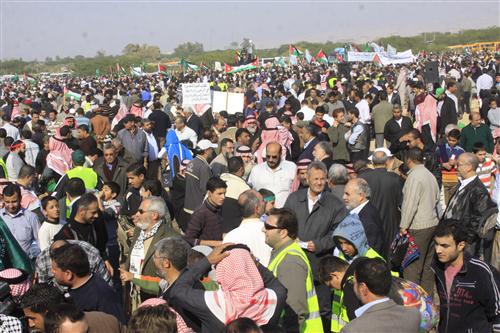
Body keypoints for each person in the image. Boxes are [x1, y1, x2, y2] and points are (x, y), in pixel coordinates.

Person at [284, 161, 348, 328]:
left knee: (323, 307)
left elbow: (339, 231)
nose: (319, 183)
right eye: (316, 179)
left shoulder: (334, 203)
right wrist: (292, 239)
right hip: (296, 261)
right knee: (295, 305)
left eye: (323, 179)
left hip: (320, 263)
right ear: (307, 178)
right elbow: (284, 223)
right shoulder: (294, 199)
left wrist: (319, 244)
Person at [167, 244, 287, 333]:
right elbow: (277, 286)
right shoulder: (273, 300)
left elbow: (177, 291)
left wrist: (207, 261)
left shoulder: (213, 303)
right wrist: (254, 263)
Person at [432, 221, 500, 333]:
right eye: (436, 244)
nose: (438, 250)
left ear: (461, 245)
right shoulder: (438, 267)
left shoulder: (481, 271)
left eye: (444, 246)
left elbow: (498, 312)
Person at [263, 208, 323, 332]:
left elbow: (295, 309)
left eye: (268, 226)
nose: (263, 229)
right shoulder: (283, 253)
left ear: (283, 233)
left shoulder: (290, 260)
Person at [50, 243, 126, 324]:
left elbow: (118, 326)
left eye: (54, 269)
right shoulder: (75, 288)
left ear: (68, 274)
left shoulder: (102, 297)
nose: (52, 272)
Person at [339, 258, 421, 333]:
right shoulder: (413, 315)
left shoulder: (352, 329)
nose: (353, 286)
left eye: (354, 283)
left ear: (363, 288)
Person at [400, 147, 440, 294]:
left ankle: (414, 302)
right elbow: (436, 199)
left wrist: (403, 226)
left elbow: (410, 203)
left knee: (412, 266)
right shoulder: (429, 174)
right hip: (432, 223)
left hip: (418, 226)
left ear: (408, 160)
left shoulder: (415, 177)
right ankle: (428, 301)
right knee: (427, 267)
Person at [443, 153, 496, 255]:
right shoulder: (462, 184)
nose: (456, 167)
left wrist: (467, 241)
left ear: (469, 167)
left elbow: (478, 219)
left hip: (464, 243)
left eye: (459, 164)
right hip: (453, 236)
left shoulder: (478, 190)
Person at [20, 283, 122, 333]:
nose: (30, 324)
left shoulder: (107, 322)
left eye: (32, 318)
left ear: (49, 314)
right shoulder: (106, 319)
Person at [359, 148, 403, 255]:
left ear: (372, 163)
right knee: (389, 253)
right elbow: (401, 202)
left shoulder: (363, 177)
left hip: (368, 220)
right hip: (390, 221)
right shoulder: (395, 178)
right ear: (387, 162)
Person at [154, 237, 203, 332]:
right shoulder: (169, 284)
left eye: (155, 257)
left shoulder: (184, 294)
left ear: (166, 263)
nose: (153, 260)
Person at [53, 193, 110, 269]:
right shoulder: (65, 234)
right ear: (81, 211)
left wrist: (106, 261)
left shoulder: (95, 225)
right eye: (93, 212)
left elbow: (101, 246)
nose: (97, 215)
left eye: (97, 212)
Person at [35, 239, 112, 291]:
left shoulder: (91, 254)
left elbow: (107, 284)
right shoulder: (42, 261)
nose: (52, 271)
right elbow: (43, 291)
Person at [223, 189, 272, 266]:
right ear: (257, 209)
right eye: (263, 201)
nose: (265, 203)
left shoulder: (230, 237)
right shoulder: (272, 231)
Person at [343, 178, 386, 257]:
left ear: (361, 196)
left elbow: (372, 248)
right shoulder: (362, 213)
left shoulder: (367, 217)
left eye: (347, 194)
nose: (344, 197)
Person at [248, 142, 296, 208]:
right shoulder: (256, 170)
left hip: (285, 211)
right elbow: (252, 191)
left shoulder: (291, 167)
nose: (270, 160)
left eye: (274, 157)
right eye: (268, 156)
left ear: (280, 154)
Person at [1, 183, 40, 258]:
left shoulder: (31, 217)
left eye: (14, 201)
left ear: (20, 198)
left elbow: (39, 241)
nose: (11, 206)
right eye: (7, 202)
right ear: (3, 199)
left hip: (25, 264)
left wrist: (34, 252)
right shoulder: (0, 218)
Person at [184, 176, 226, 247]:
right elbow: (189, 239)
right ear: (209, 193)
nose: (223, 197)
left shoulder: (219, 208)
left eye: (224, 193)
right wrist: (215, 243)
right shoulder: (200, 213)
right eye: (219, 194)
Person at [184, 139, 217, 215]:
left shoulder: (191, 162)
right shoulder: (203, 167)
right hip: (198, 209)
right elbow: (206, 189)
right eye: (211, 149)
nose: (213, 151)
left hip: (188, 206)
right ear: (206, 151)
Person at [220, 156, 251, 232]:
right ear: (241, 169)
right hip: (232, 230)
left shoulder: (218, 180)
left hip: (214, 227)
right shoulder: (244, 188)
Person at [436, 128, 465, 205]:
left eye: (454, 141)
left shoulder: (461, 151)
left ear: (458, 140)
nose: (451, 142)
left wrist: (455, 163)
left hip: (454, 180)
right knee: (443, 203)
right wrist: (443, 164)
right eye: (449, 140)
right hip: (442, 179)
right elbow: (434, 162)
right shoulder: (441, 149)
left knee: (453, 203)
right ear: (447, 138)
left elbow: (463, 165)